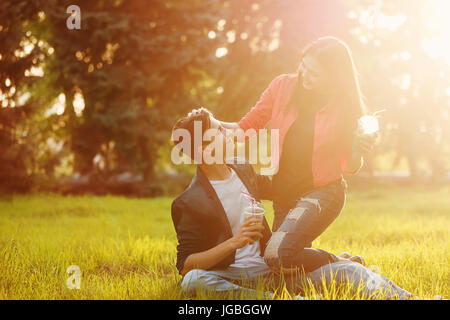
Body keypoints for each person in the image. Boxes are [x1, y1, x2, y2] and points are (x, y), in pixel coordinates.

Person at [170, 108, 412, 300]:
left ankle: (409, 298)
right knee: (193, 281)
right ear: (203, 149)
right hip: (232, 277)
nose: (228, 132)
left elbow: (281, 188)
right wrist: (235, 241)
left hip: (272, 270)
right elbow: (186, 266)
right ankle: (269, 298)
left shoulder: (242, 169)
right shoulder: (189, 202)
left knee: (350, 272)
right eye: (219, 131)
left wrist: (325, 171)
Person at [190, 36, 376, 274]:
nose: (304, 76)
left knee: (278, 253)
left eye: (314, 74)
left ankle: (345, 267)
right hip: (285, 196)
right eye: (303, 67)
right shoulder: (282, 87)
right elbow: (246, 128)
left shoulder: (345, 109)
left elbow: (350, 167)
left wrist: (357, 150)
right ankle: (343, 262)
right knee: (281, 265)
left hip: (323, 193)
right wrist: (211, 122)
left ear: (333, 78)